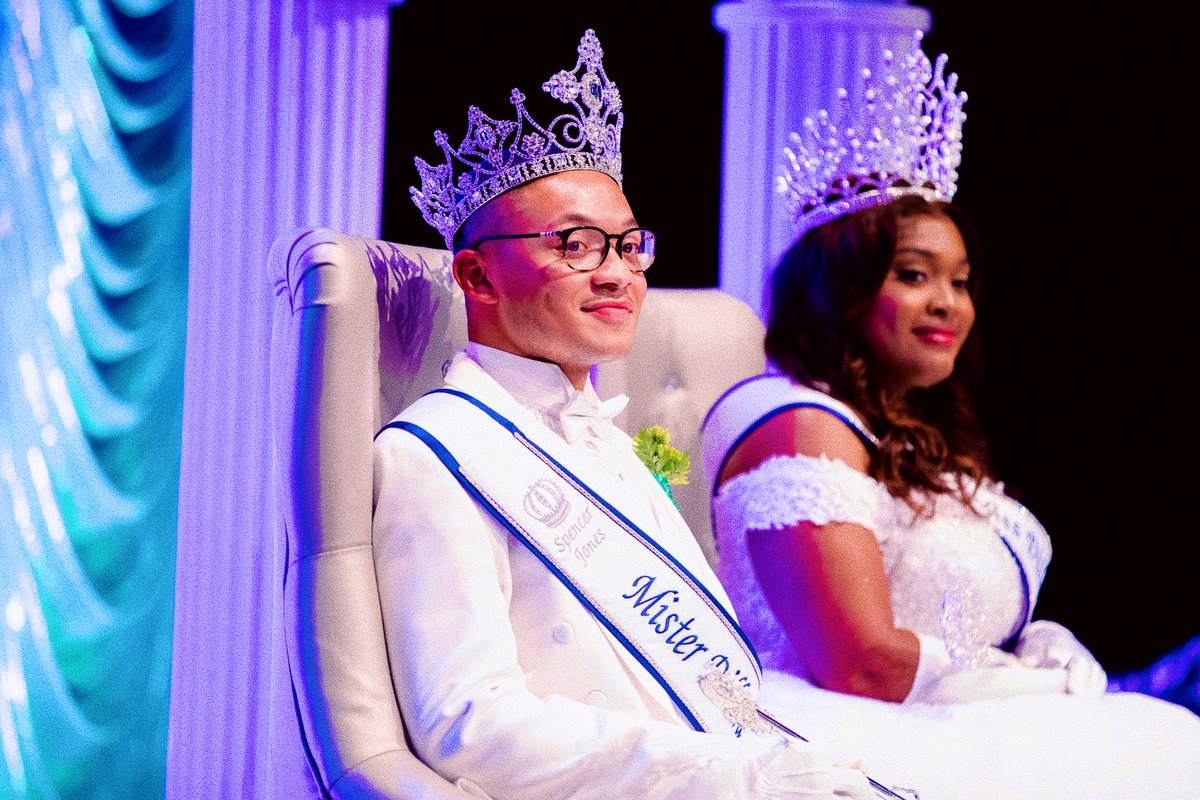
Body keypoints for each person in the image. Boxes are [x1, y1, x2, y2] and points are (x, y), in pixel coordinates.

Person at [372, 29, 882, 800]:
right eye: (576, 245)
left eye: (629, 246)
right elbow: (471, 726)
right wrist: (735, 774)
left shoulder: (607, 439)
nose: (617, 274)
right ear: (477, 275)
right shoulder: (433, 454)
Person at [700, 34, 1200, 800]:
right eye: (912, 275)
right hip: (838, 730)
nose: (947, 303)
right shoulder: (797, 421)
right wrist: (1023, 686)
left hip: (949, 719)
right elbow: (856, 662)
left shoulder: (915, 432)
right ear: (837, 289)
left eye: (960, 281)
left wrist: (1035, 649)